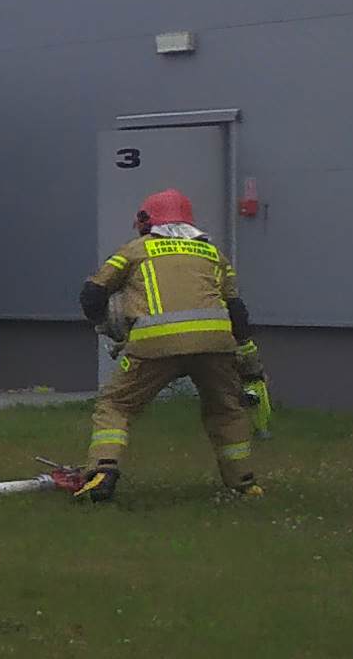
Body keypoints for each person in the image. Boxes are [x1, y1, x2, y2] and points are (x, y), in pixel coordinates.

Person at [71, 188, 264, 503]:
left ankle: (102, 471)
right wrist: (249, 359)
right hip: (215, 343)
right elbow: (237, 312)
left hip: (154, 343)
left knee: (116, 404)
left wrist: (110, 328)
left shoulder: (134, 251)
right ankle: (244, 483)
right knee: (226, 410)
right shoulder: (213, 254)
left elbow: (92, 294)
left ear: (146, 222)